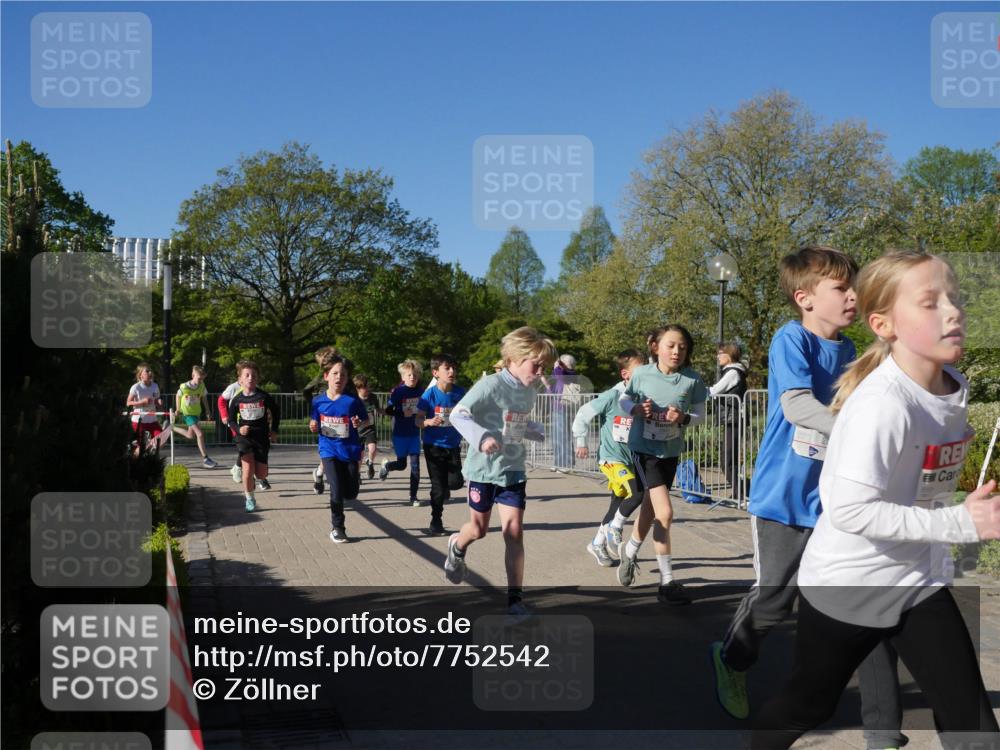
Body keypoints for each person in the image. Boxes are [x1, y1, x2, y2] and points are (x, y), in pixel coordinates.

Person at [752, 250, 1000, 750]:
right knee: (810, 705)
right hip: (848, 585)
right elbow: (851, 510)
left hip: (917, 579)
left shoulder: (954, 385)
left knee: (972, 725)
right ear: (884, 324)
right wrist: (960, 522)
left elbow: (921, 478)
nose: (952, 311)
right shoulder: (881, 404)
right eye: (930, 302)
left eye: (954, 298)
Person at [710, 246, 905, 750]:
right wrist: (855, 429)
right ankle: (732, 658)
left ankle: (884, 732)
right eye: (842, 288)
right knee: (775, 598)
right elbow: (798, 406)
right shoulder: (790, 338)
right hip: (783, 496)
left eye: (855, 287)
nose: (854, 296)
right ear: (805, 298)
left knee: (865, 604)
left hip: (839, 500)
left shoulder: (855, 349)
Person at [444, 327, 557, 618]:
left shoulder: (529, 391)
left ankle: (515, 601)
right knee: (478, 530)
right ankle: (457, 546)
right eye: (536, 365)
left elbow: (516, 424)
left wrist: (534, 430)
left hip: (513, 470)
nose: (540, 372)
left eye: (544, 366)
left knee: (514, 532)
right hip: (483, 471)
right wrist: (482, 437)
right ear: (515, 358)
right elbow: (458, 414)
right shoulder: (490, 385)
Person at [616, 325, 707, 605]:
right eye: (671, 345)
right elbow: (624, 398)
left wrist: (683, 418)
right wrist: (634, 409)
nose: (677, 351)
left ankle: (629, 552)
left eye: (682, 347)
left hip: (670, 451)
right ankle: (666, 583)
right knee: (665, 513)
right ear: (656, 347)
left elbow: (701, 415)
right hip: (644, 451)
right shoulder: (642, 374)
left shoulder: (692, 380)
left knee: (650, 508)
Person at [571, 349, 647, 567]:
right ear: (625, 374)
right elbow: (582, 414)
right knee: (637, 493)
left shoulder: (643, 398)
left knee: (617, 504)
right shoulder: (613, 396)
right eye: (640, 371)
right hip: (611, 458)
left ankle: (597, 543)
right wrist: (581, 441)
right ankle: (615, 528)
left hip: (631, 459)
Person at [309, 355, 368, 544]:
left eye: (343, 375)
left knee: (350, 493)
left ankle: (350, 484)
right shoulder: (318, 401)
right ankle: (338, 528)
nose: (339, 378)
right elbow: (314, 420)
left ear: (347, 378)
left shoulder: (352, 401)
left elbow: (365, 420)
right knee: (335, 490)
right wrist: (313, 425)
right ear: (326, 376)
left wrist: (358, 422)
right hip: (328, 450)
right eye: (335, 374)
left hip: (349, 451)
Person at [421, 354, 467, 536]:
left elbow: (469, 413)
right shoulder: (429, 395)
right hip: (433, 446)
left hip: (453, 445)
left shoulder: (460, 393)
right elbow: (417, 420)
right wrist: (428, 421)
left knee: (456, 483)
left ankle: (444, 487)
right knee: (438, 488)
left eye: (453, 368)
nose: (452, 371)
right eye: (447, 368)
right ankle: (436, 521)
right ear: (435, 373)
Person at [227, 360, 280, 512]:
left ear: (258, 379)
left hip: (261, 437)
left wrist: (274, 430)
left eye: (254, 375)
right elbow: (231, 420)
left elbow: (276, 412)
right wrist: (239, 429)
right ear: (240, 380)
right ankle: (249, 498)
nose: (251, 378)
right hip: (244, 438)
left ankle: (258, 479)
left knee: (261, 473)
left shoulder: (263, 396)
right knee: (247, 470)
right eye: (247, 375)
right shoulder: (237, 399)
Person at [379, 360, 430, 506]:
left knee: (415, 466)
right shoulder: (398, 392)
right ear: (403, 377)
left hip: (414, 433)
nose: (412, 377)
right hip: (400, 433)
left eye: (415, 375)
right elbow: (388, 410)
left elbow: (427, 407)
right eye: (409, 375)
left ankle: (413, 497)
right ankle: (387, 466)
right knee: (402, 465)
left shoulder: (422, 392)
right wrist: (402, 413)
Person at [709, 344, 748, 494]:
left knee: (727, 461)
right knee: (730, 460)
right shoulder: (732, 371)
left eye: (721, 353)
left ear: (729, 355)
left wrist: (697, 391)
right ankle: (741, 491)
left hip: (734, 419)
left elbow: (715, 391)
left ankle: (742, 493)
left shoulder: (732, 372)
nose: (718, 356)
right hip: (733, 419)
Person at [304, 346, 341, 495]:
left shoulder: (342, 373)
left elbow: (352, 391)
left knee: (339, 449)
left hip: (342, 415)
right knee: (330, 450)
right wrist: (317, 405)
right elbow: (306, 391)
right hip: (326, 417)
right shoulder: (321, 377)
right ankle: (327, 479)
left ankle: (320, 474)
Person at [172, 365, 217, 468]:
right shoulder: (184, 386)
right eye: (199, 378)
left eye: (202, 379)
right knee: (200, 434)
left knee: (190, 435)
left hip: (196, 413)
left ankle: (172, 427)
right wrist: (178, 409)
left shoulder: (201, 386)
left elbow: (204, 398)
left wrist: (208, 411)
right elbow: (178, 395)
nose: (201, 381)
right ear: (193, 375)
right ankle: (205, 458)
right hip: (187, 414)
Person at [546, 354, 582, 470]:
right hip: (556, 408)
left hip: (564, 407)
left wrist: (557, 365)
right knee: (556, 437)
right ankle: (558, 463)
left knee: (563, 436)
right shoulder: (560, 373)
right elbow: (551, 386)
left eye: (561, 363)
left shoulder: (571, 373)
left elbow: (560, 376)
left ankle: (567, 464)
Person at [126, 363, 168, 454]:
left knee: (161, 440)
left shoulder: (155, 386)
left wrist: (159, 402)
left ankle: (147, 451)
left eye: (150, 371)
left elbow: (157, 399)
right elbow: (128, 403)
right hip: (139, 421)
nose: (150, 373)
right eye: (147, 371)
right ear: (140, 375)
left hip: (152, 420)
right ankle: (136, 457)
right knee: (140, 447)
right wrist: (142, 402)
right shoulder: (136, 387)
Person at [353, 374, 381, 481]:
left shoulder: (372, 397)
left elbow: (379, 409)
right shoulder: (354, 400)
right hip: (358, 431)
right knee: (359, 456)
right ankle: (357, 474)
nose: (367, 389)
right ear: (358, 388)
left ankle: (370, 462)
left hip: (370, 429)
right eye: (365, 387)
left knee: (372, 449)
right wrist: (356, 420)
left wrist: (390, 411)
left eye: (368, 386)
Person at [217, 376, 244, 484]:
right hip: (235, 423)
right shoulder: (233, 387)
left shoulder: (253, 387)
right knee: (243, 447)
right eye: (246, 375)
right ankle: (237, 469)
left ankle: (238, 468)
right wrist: (224, 415)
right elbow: (221, 400)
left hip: (250, 422)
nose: (249, 378)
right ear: (240, 377)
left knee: (250, 447)